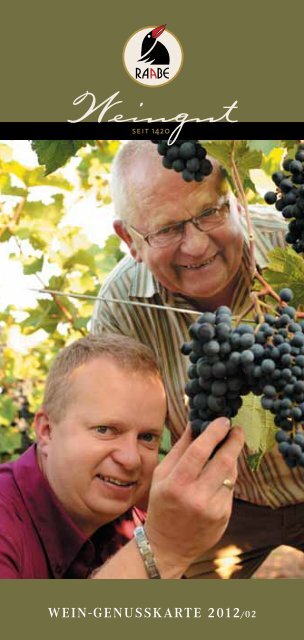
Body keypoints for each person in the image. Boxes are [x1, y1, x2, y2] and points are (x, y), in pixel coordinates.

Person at [91, 140, 304, 579]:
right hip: (222, 511)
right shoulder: (121, 307)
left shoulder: (293, 244)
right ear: (130, 239)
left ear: (234, 199)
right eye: (167, 230)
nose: (195, 246)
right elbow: (115, 438)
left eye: (210, 212)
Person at [0, 333, 244, 579]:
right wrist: (164, 550)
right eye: (105, 430)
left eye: (147, 437)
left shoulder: (136, 524)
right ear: (46, 431)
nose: (131, 459)